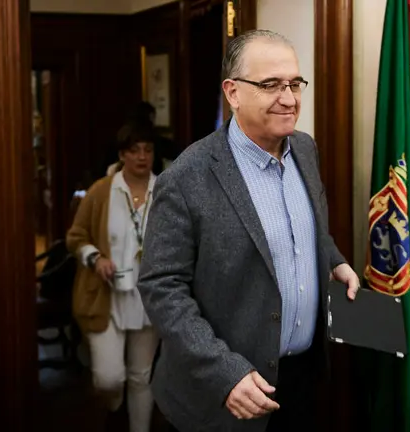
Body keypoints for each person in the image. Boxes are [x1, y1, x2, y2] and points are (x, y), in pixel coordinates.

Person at [137, 29, 360, 432]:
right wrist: (225, 373)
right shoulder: (187, 177)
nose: (289, 99)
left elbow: (308, 229)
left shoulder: (305, 150)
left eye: (294, 84)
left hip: (302, 380)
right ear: (233, 92)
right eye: (271, 85)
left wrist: (334, 260)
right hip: (222, 395)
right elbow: (161, 286)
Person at [67, 123, 160, 432]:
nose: (142, 157)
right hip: (105, 297)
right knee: (109, 379)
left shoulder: (165, 190)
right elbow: (75, 237)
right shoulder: (101, 191)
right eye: (134, 151)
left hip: (148, 301)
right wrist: (96, 258)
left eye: (148, 150)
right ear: (122, 155)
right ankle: (114, 406)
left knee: (140, 376)